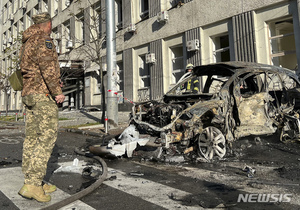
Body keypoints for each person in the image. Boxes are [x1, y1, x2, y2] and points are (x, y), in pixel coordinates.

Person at [18, 12, 65, 202]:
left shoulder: (27, 41)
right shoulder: (44, 40)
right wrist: (57, 91)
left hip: (29, 93)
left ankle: (32, 180)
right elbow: (48, 68)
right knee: (46, 137)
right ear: (48, 24)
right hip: (42, 94)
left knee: (32, 138)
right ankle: (33, 184)